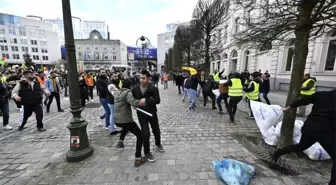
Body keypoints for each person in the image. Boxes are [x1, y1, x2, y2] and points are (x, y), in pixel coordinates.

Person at [272, 89, 336, 185]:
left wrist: (288, 107)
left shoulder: (321, 95)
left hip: (309, 128)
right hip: (326, 133)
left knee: (300, 146)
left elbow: (303, 100)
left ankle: (278, 152)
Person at [132, 69, 164, 162]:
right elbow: (132, 99)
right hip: (141, 114)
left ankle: (158, 143)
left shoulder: (153, 88)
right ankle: (147, 152)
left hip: (152, 113)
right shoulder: (135, 88)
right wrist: (134, 104)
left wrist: (146, 100)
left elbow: (157, 100)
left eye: (143, 78)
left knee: (156, 130)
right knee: (145, 133)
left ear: (148, 78)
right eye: (140, 78)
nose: (141, 80)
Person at [114, 78, 147, 167]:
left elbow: (124, 103)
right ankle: (138, 158)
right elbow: (133, 102)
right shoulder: (127, 92)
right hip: (124, 119)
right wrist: (142, 100)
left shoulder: (117, 92)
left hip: (116, 119)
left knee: (126, 127)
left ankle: (120, 141)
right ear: (131, 86)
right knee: (140, 135)